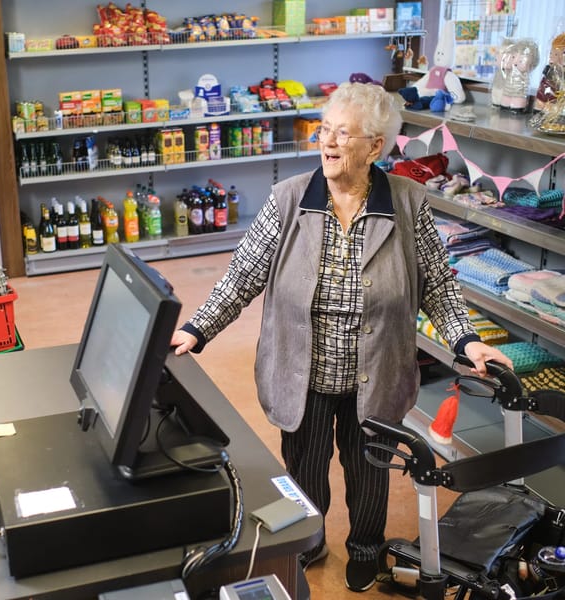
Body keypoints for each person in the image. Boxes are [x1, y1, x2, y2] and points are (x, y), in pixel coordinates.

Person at [171, 83, 512, 592]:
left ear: (375, 146)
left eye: (342, 134)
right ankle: (308, 541)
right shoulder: (289, 199)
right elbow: (242, 275)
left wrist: (465, 341)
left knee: (370, 473)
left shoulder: (408, 202)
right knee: (304, 467)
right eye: (324, 130)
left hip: (376, 373)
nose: (327, 142)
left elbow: (436, 282)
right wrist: (197, 330)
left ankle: (367, 549)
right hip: (300, 372)